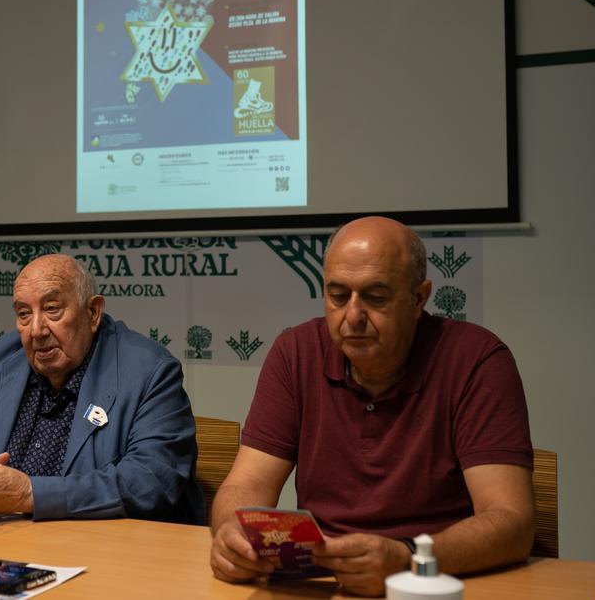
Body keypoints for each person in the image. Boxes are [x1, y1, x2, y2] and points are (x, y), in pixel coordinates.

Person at [209, 216, 534, 596]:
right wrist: (234, 533)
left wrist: (408, 559)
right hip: (325, 582)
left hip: (433, 585)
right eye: (338, 295)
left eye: (376, 297)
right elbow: (246, 484)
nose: (353, 317)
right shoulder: (295, 353)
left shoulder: (476, 359)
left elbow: (512, 521)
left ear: (418, 298)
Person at [0, 253, 205, 525]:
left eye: (52, 309)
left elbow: (150, 483)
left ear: (93, 313)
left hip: (107, 555)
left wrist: (29, 494)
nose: (36, 330)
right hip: (5, 546)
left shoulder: (149, 371)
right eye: (24, 314)